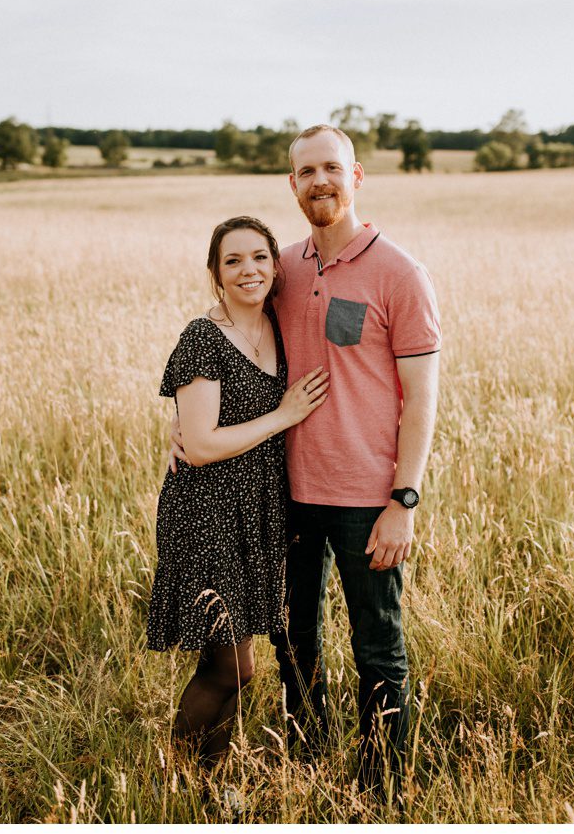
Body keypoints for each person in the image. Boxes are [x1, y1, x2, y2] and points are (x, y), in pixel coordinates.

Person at [269, 125, 440, 793]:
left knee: (377, 649)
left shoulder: (400, 273)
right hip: (288, 493)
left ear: (356, 175)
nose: (320, 181)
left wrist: (404, 500)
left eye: (332, 168)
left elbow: (421, 398)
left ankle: (380, 791)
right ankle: (307, 766)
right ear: (292, 184)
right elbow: (233, 352)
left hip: (368, 500)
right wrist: (184, 424)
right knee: (293, 642)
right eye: (307, 171)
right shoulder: (280, 268)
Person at [149, 215, 328, 769]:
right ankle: (176, 776)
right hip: (207, 513)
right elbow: (201, 446)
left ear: (276, 266)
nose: (248, 270)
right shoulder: (203, 338)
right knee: (231, 668)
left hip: (258, 512)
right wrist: (284, 415)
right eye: (232, 261)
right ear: (216, 273)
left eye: (259, 257)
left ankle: (208, 780)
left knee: (233, 665)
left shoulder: (279, 324)